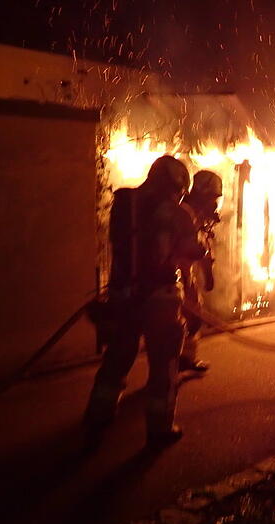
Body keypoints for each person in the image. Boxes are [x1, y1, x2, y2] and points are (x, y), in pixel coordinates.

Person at [85, 155, 205, 447]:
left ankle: (99, 414)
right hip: (160, 298)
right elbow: (193, 249)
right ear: (176, 185)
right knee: (164, 363)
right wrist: (198, 240)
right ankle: (160, 428)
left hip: (124, 294)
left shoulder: (125, 205)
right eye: (180, 190)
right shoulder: (174, 213)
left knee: (118, 356)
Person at [177, 170, 223, 373]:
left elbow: (202, 243)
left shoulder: (194, 214)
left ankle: (185, 358)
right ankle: (173, 365)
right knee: (186, 320)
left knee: (194, 316)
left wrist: (208, 272)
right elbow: (193, 248)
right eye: (213, 197)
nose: (214, 203)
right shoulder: (184, 213)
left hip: (185, 274)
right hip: (176, 276)